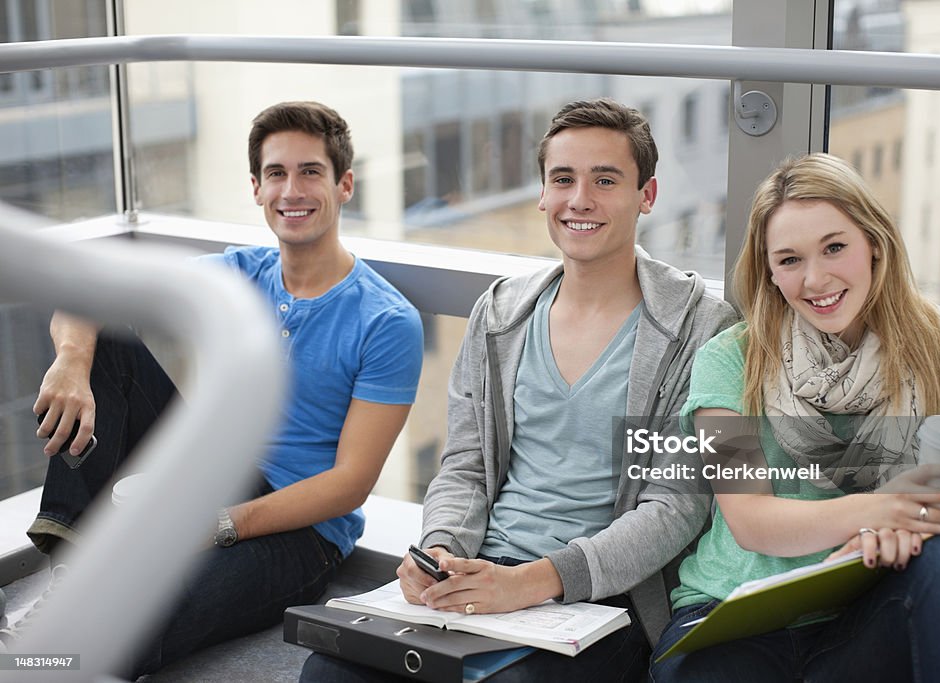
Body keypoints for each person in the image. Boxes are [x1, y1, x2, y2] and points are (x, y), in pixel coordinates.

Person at [300, 99, 736, 682]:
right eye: (563, 179)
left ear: (647, 196)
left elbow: (677, 506)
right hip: (484, 572)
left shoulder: (701, 325)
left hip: (601, 598)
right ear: (543, 194)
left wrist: (531, 583)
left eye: (605, 180)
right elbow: (465, 467)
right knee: (328, 673)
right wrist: (440, 551)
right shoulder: (502, 312)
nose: (579, 199)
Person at [7, 101, 424, 677]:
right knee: (110, 343)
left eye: (310, 172)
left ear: (344, 184)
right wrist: (72, 363)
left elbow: (350, 485)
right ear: (256, 188)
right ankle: (73, 580)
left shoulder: (386, 320)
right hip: (209, 474)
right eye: (276, 173)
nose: (292, 190)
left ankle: (48, 662)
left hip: (299, 532)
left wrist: (220, 523)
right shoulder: (236, 274)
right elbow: (89, 293)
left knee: (135, 619)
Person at [649, 153, 940, 682]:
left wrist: (898, 522)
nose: (816, 279)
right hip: (732, 617)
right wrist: (884, 509)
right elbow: (752, 521)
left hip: (868, 614)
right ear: (769, 272)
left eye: (835, 247)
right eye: (790, 259)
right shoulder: (728, 361)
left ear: (874, 244)